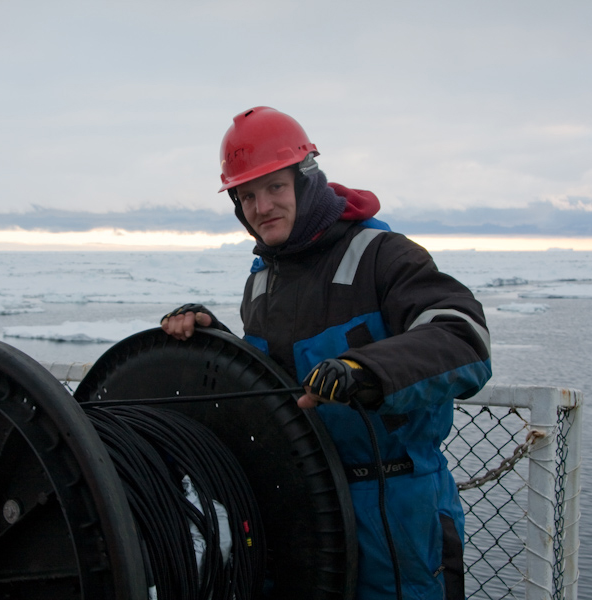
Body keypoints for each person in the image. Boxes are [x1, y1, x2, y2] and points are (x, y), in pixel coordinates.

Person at [162, 106, 491, 600]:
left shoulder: (382, 255)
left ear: (307, 179)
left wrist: (366, 371)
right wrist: (217, 343)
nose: (261, 206)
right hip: (304, 510)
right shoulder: (260, 284)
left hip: (395, 512)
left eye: (275, 186)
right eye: (247, 195)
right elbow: (273, 395)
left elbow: (462, 338)